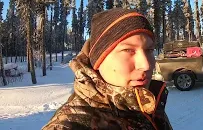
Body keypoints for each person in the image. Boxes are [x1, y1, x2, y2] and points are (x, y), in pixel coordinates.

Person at [42, 8, 172, 130]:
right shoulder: (69, 125)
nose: (146, 65)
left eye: (149, 50)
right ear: (98, 60)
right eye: (128, 50)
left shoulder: (148, 105)